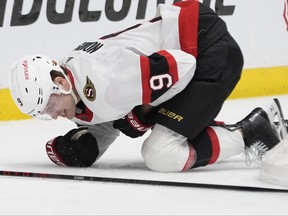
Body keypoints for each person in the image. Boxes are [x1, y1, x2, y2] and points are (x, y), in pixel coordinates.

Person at [8, 1, 286, 172]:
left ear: (60, 83)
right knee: (158, 134)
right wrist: (88, 145)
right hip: (192, 35)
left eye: (50, 106)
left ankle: (254, 130)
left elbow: (183, 64)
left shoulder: (106, 82)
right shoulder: (74, 76)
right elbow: (109, 109)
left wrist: (144, 112)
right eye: (44, 112)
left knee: (161, 154)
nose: (53, 115)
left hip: (208, 50)